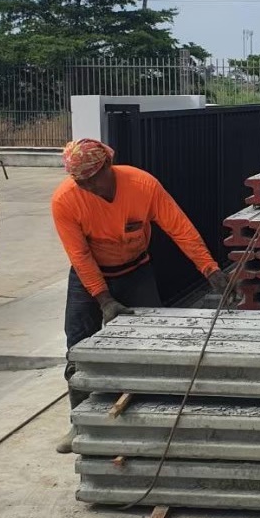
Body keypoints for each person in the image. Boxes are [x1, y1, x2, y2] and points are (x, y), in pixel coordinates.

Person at [51, 138, 228, 453]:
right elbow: (80, 256)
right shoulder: (65, 200)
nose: (87, 186)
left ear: (107, 165)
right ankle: (79, 423)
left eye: (91, 178)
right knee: (78, 350)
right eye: (80, 181)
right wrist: (104, 300)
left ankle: (152, 418)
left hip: (135, 272)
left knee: (152, 344)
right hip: (89, 277)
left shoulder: (142, 186)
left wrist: (210, 270)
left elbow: (180, 228)